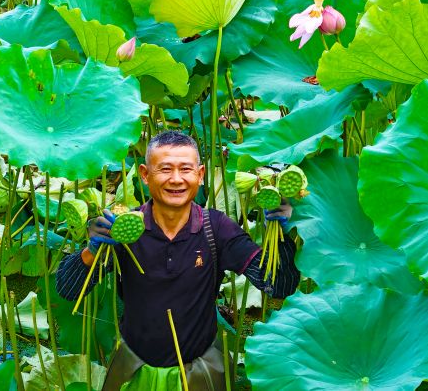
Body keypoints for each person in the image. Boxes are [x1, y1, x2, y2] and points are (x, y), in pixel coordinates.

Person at [55, 131, 300, 390]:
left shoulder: (215, 228)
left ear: (201, 174)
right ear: (145, 174)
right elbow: (68, 290)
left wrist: (281, 235)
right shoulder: (124, 230)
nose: (176, 179)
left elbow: (278, 285)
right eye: (165, 169)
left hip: (199, 370)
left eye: (186, 169)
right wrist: (92, 250)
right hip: (136, 369)